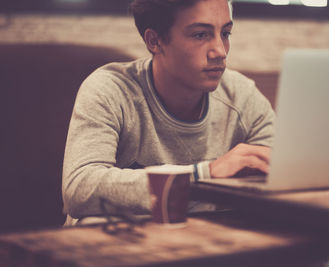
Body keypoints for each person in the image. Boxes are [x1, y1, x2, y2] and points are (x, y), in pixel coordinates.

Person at [62, 0, 275, 224]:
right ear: (155, 41)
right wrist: (203, 174)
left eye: (226, 33)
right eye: (200, 35)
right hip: (118, 243)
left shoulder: (242, 96)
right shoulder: (110, 89)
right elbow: (79, 189)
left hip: (208, 242)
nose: (220, 52)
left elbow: (284, 176)